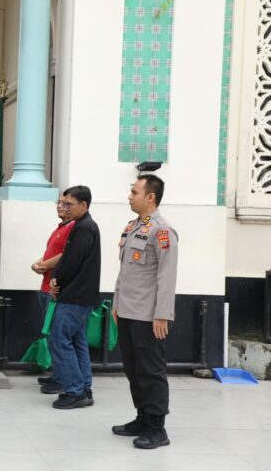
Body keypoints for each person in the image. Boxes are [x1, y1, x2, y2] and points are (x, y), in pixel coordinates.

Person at [112, 175, 178, 449]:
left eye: (134, 191)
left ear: (150, 196)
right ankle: (142, 417)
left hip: (149, 316)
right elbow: (125, 271)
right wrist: (116, 303)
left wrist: (162, 314)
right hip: (127, 311)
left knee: (151, 371)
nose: (130, 195)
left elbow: (167, 276)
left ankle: (157, 428)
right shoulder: (133, 227)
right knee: (133, 369)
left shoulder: (162, 231)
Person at [48, 185, 101, 409]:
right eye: (64, 203)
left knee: (59, 339)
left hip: (75, 296)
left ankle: (74, 390)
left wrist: (56, 281)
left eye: (70, 204)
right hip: (81, 296)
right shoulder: (83, 226)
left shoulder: (84, 228)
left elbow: (71, 262)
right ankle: (83, 387)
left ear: (84, 205)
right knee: (77, 341)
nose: (65, 208)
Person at [31, 195, 75, 394]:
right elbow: (50, 253)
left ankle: (62, 380)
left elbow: (67, 255)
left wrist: (43, 265)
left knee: (58, 337)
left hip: (56, 289)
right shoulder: (60, 228)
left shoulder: (74, 227)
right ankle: (57, 375)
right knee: (50, 335)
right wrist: (38, 263)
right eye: (58, 203)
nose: (60, 206)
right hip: (45, 285)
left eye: (65, 204)